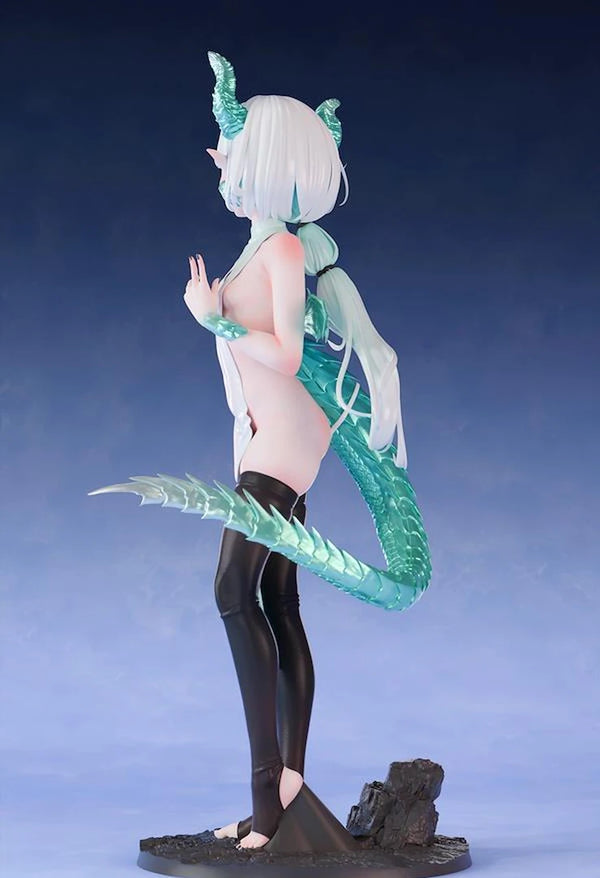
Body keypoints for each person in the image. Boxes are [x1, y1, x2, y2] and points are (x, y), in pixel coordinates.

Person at [89, 50, 432, 853]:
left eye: (236, 154)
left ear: (268, 168)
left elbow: (282, 353)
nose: (222, 163)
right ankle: (281, 796)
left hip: (280, 453)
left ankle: (268, 788)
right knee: (276, 600)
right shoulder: (263, 246)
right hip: (268, 446)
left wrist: (213, 320)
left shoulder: (280, 253)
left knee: (231, 591)